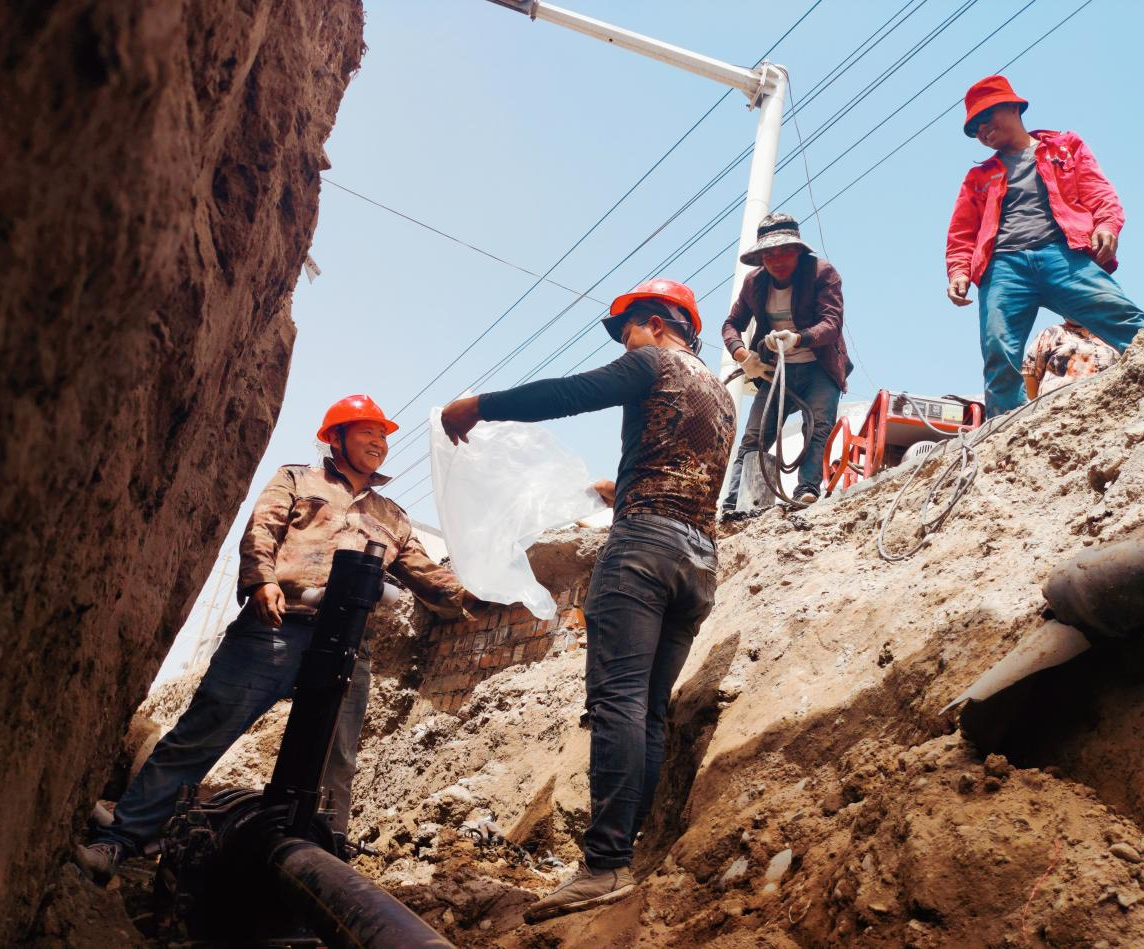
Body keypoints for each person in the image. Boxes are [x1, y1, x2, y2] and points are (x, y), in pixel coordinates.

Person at [75, 395, 473, 882]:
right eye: (367, 431)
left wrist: (476, 593)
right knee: (203, 732)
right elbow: (261, 528)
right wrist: (260, 580)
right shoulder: (296, 480)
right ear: (336, 437)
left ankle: (321, 867)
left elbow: (424, 572)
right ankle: (120, 840)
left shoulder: (393, 516)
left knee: (335, 759)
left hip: (349, 644)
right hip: (276, 627)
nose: (379, 442)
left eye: (384, 435)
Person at [440, 278, 734, 922]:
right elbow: (676, 465)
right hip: (699, 564)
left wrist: (479, 406)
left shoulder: (653, 361)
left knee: (617, 703)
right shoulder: (718, 393)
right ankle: (628, 855)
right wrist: (617, 487)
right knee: (648, 711)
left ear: (657, 323)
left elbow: (570, 394)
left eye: (627, 328)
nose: (624, 342)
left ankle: (602, 867)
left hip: (644, 553)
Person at [945, 74, 1144, 417]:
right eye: (974, 128)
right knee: (998, 349)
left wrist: (1106, 224)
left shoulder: (1065, 147)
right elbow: (962, 233)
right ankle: (1004, 430)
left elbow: (1098, 192)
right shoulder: (978, 177)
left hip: (1063, 255)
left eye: (985, 117)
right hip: (1004, 267)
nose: (981, 130)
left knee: (1122, 316)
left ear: (1013, 106)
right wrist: (958, 270)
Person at [721, 212, 851, 509]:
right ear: (761, 257)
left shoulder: (822, 273)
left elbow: (832, 323)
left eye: (785, 252)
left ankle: (806, 491)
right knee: (754, 436)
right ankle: (735, 503)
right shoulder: (754, 283)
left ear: (798, 251)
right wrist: (743, 355)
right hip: (775, 371)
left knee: (818, 427)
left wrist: (799, 338)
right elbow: (731, 324)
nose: (777, 260)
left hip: (819, 367)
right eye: (769, 254)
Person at [1022, 318, 1120, 399]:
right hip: (1056, 407)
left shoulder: (1111, 337)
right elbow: (1030, 374)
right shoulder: (1052, 332)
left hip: (1104, 402)